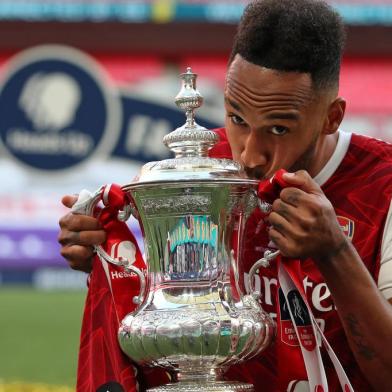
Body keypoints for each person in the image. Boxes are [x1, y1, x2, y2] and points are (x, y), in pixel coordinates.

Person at [58, 0, 392, 390]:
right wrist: (106, 256)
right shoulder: (202, 171)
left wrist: (335, 252)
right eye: (237, 118)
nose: (249, 155)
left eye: (279, 129)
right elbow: (165, 302)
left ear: (331, 117)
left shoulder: (381, 186)